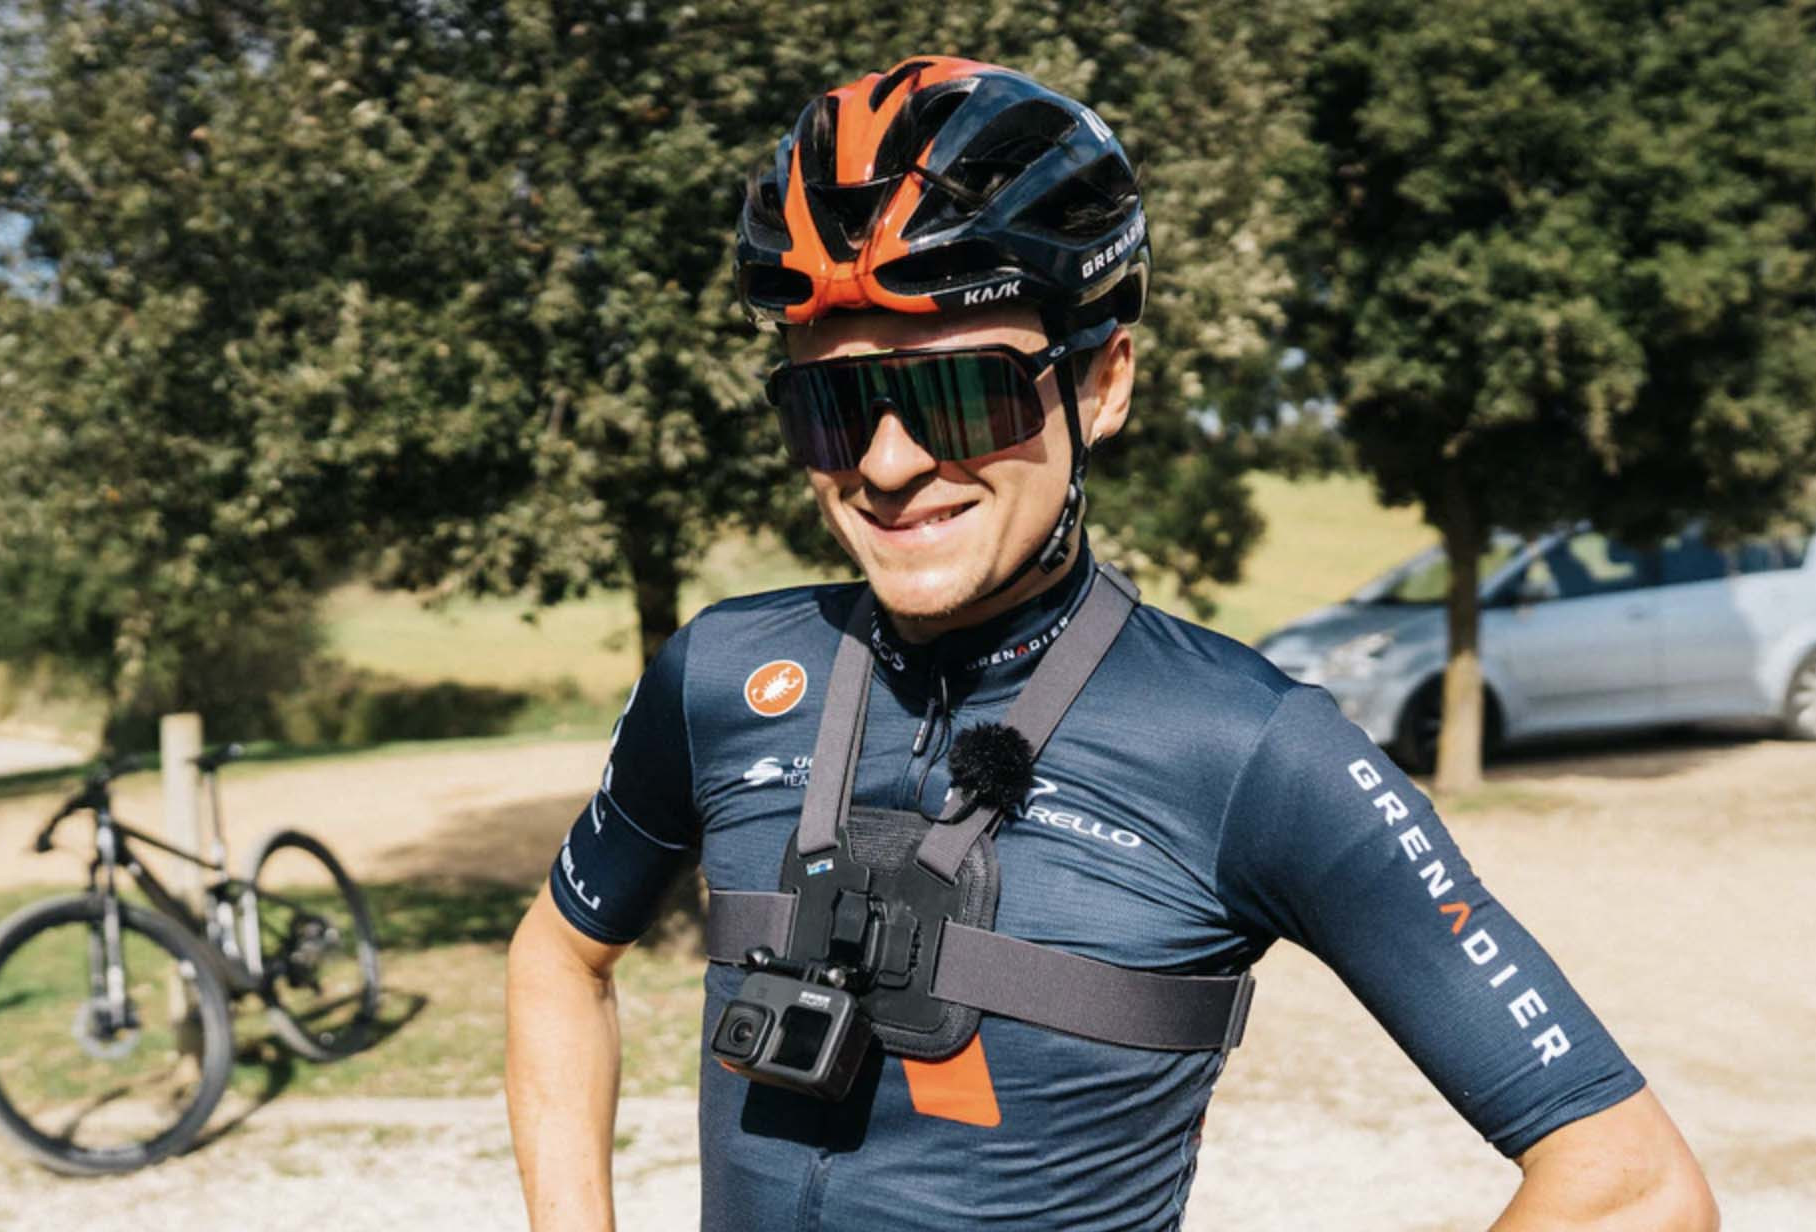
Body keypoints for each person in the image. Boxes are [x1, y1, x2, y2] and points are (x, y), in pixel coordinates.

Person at [504, 56, 1717, 1231]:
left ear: (1101, 383)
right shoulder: (720, 675)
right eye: (830, 406)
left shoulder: (1248, 747)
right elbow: (558, 957)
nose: (886, 463)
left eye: (958, 396)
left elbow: (1632, 1186)